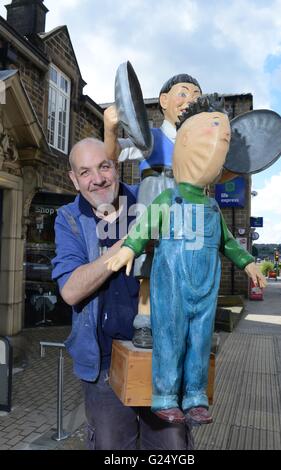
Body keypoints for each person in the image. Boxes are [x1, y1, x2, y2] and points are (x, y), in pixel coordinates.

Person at [106, 95, 267, 426]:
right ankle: (164, 396)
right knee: (168, 335)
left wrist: (249, 262)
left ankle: (195, 397)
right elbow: (143, 228)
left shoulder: (213, 208)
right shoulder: (167, 199)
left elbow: (228, 241)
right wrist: (128, 249)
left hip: (206, 288)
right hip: (171, 285)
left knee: (200, 340)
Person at [52, 137, 193, 450]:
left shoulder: (150, 202)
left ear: (116, 165)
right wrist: (129, 243)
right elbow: (71, 291)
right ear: (74, 180)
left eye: (104, 166)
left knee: (171, 445)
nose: (98, 179)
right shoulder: (69, 220)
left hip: (162, 358)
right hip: (102, 364)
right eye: (85, 172)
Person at [104, 74, 202, 348]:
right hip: (155, 198)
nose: (189, 101)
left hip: (187, 207)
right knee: (148, 262)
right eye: (183, 93)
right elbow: (113, 155)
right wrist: (110, 130)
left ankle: (179, 323)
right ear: (163, 100)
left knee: (185, 264)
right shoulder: (150, 137)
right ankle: (144, 323)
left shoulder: (199, 144)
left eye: (195, 96)